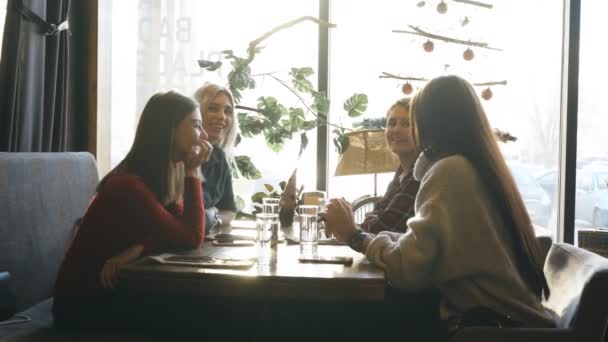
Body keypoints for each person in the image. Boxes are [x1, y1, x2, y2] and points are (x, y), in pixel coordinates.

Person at [321, 75, 555, 336]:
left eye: (413, 118)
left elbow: (406, 272)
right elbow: (427, 250)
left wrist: (354, 236)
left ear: (428, 122)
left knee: (335, 318)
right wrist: (382, 237)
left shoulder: (450, 171)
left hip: (490, 328)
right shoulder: (477, 166)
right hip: (501, 320)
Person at [53, 91, 212, 331]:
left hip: (114, 292)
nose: (204, 135)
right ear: (170, 129)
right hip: (82, 306)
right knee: (205, 314)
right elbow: (190, 237)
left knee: (202, 312)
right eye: (197, 126)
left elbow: (179, 229)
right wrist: (192, 172)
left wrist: (139, 248)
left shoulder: (155, 179)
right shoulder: (128, 185)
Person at [360, 98, 420, 234]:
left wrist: (371, 218)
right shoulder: (401, 172)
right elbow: (378, 213)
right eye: (391, 123)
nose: (396, 130)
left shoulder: (420, 173)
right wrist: (372, 218)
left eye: (406, 124)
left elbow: (381, 229)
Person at [193, 83, 238, 231]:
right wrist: (210, 214)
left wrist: (213, 218)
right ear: (196, 112)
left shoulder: (219, 157)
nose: (222, 116)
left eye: (227, 111)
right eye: (213, 108)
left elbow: (229, 210)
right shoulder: (179, 154)